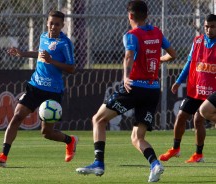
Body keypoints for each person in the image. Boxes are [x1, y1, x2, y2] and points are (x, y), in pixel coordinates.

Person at [76, 0, 176, 182]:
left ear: (130, 16)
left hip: (134, 87)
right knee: (137, 137)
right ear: (147, 15)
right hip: (153, 90)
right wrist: (157, 60)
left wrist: (125, 76)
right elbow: (173, 54)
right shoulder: (157, 33)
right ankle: (155, 164)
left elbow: (128, 56)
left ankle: (98, 163)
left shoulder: (131, 35)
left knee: (98, 119)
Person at [0, 10, 78, 167]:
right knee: (17, 117)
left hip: (53, 91)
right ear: (47, 23)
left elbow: (71, 68)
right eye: (51, 23)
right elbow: (40, 54)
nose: (53, 27)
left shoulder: (65, 43)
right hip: (35, 86)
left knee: (46, 133)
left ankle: (70, 140)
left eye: (57, 24)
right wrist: (22, 54)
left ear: (62, 25)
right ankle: (3, 156)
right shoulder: (43, 36)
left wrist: (52, 61)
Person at [159, 14, 216, 163]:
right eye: (207, 27)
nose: (209, 30)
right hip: (196, 89)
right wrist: (178, 81)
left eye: (213, 27)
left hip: (212, 92)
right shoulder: (197, 41)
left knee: (198, 119)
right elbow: (189, 63)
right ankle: (175, 149)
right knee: (181, 116)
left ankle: (198, 154)